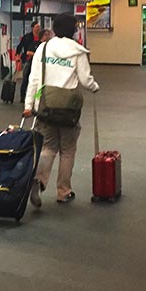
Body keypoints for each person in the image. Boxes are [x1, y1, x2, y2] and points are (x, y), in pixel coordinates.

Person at [23, 13, 99, 207]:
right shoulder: (78, 51)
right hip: (68, 110)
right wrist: (95, 87)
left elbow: (33, 78)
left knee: (48, 147)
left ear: (54, 29)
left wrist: (28, 105)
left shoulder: (44, 47)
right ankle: (63, 192)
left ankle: (38, 181)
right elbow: (85, 79)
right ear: (73, 30)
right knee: (67, 150)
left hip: (45, 106)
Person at [16, 21, 42, 103]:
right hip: (28, 60)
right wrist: (17, 55)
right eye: (37, 27)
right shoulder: (27, 37)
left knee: (38, 80)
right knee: (26, 79)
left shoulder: (41, 37)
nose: (38, 28)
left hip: (38, 61)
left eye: (39, 27)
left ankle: (37, 97)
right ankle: (22, 97)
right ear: (33, 28)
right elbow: (20, 46)